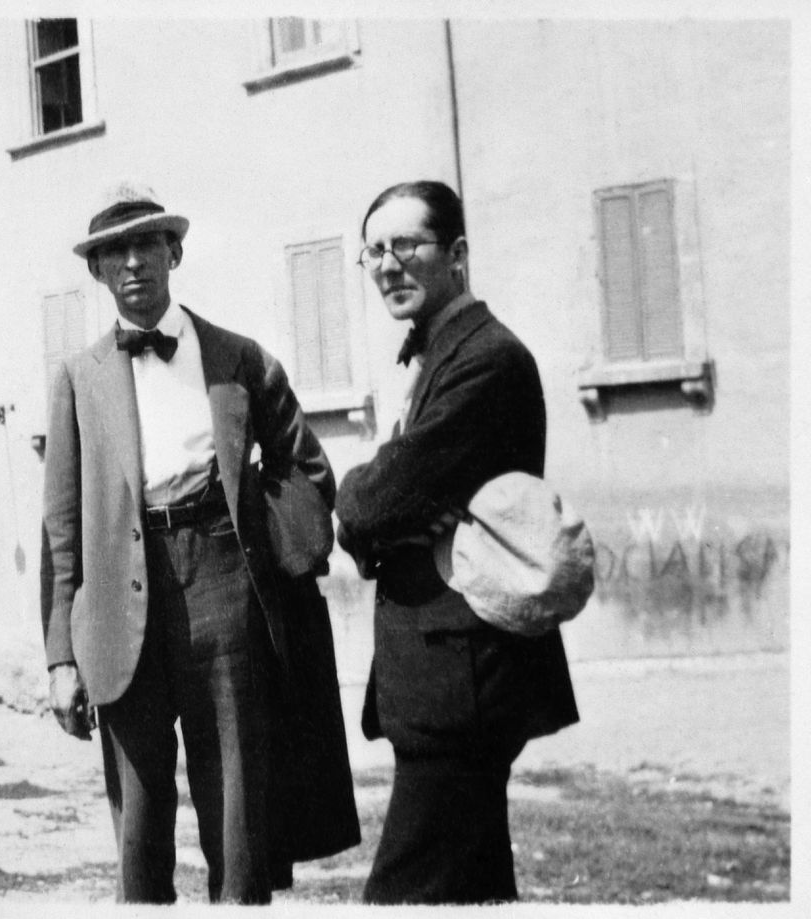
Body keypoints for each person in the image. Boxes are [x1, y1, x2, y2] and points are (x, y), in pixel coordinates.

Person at [41, 182, 355, 904]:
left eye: (146, 245)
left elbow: (307, 469)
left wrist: (264, 549)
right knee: (140, 813)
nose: (131, 264)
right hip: (119, 592)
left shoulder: (236, 357)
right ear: (95, 272)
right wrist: (61, 654)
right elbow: (62, 526)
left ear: (174, 251)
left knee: (238, 794)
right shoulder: (77, 378)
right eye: (113, 252)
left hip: (222, 577)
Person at [334, 180, 579, 904]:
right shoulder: (437, 355)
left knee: (405, 894)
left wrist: (363, 497)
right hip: (445, 674)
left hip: (464, 680)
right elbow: (397, 496)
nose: (388, 264)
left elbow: (376, 502)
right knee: (473, 889)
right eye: (374, 250)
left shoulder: (487, 360)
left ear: (459, 254)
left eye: (407, 244)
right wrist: (392, 498)